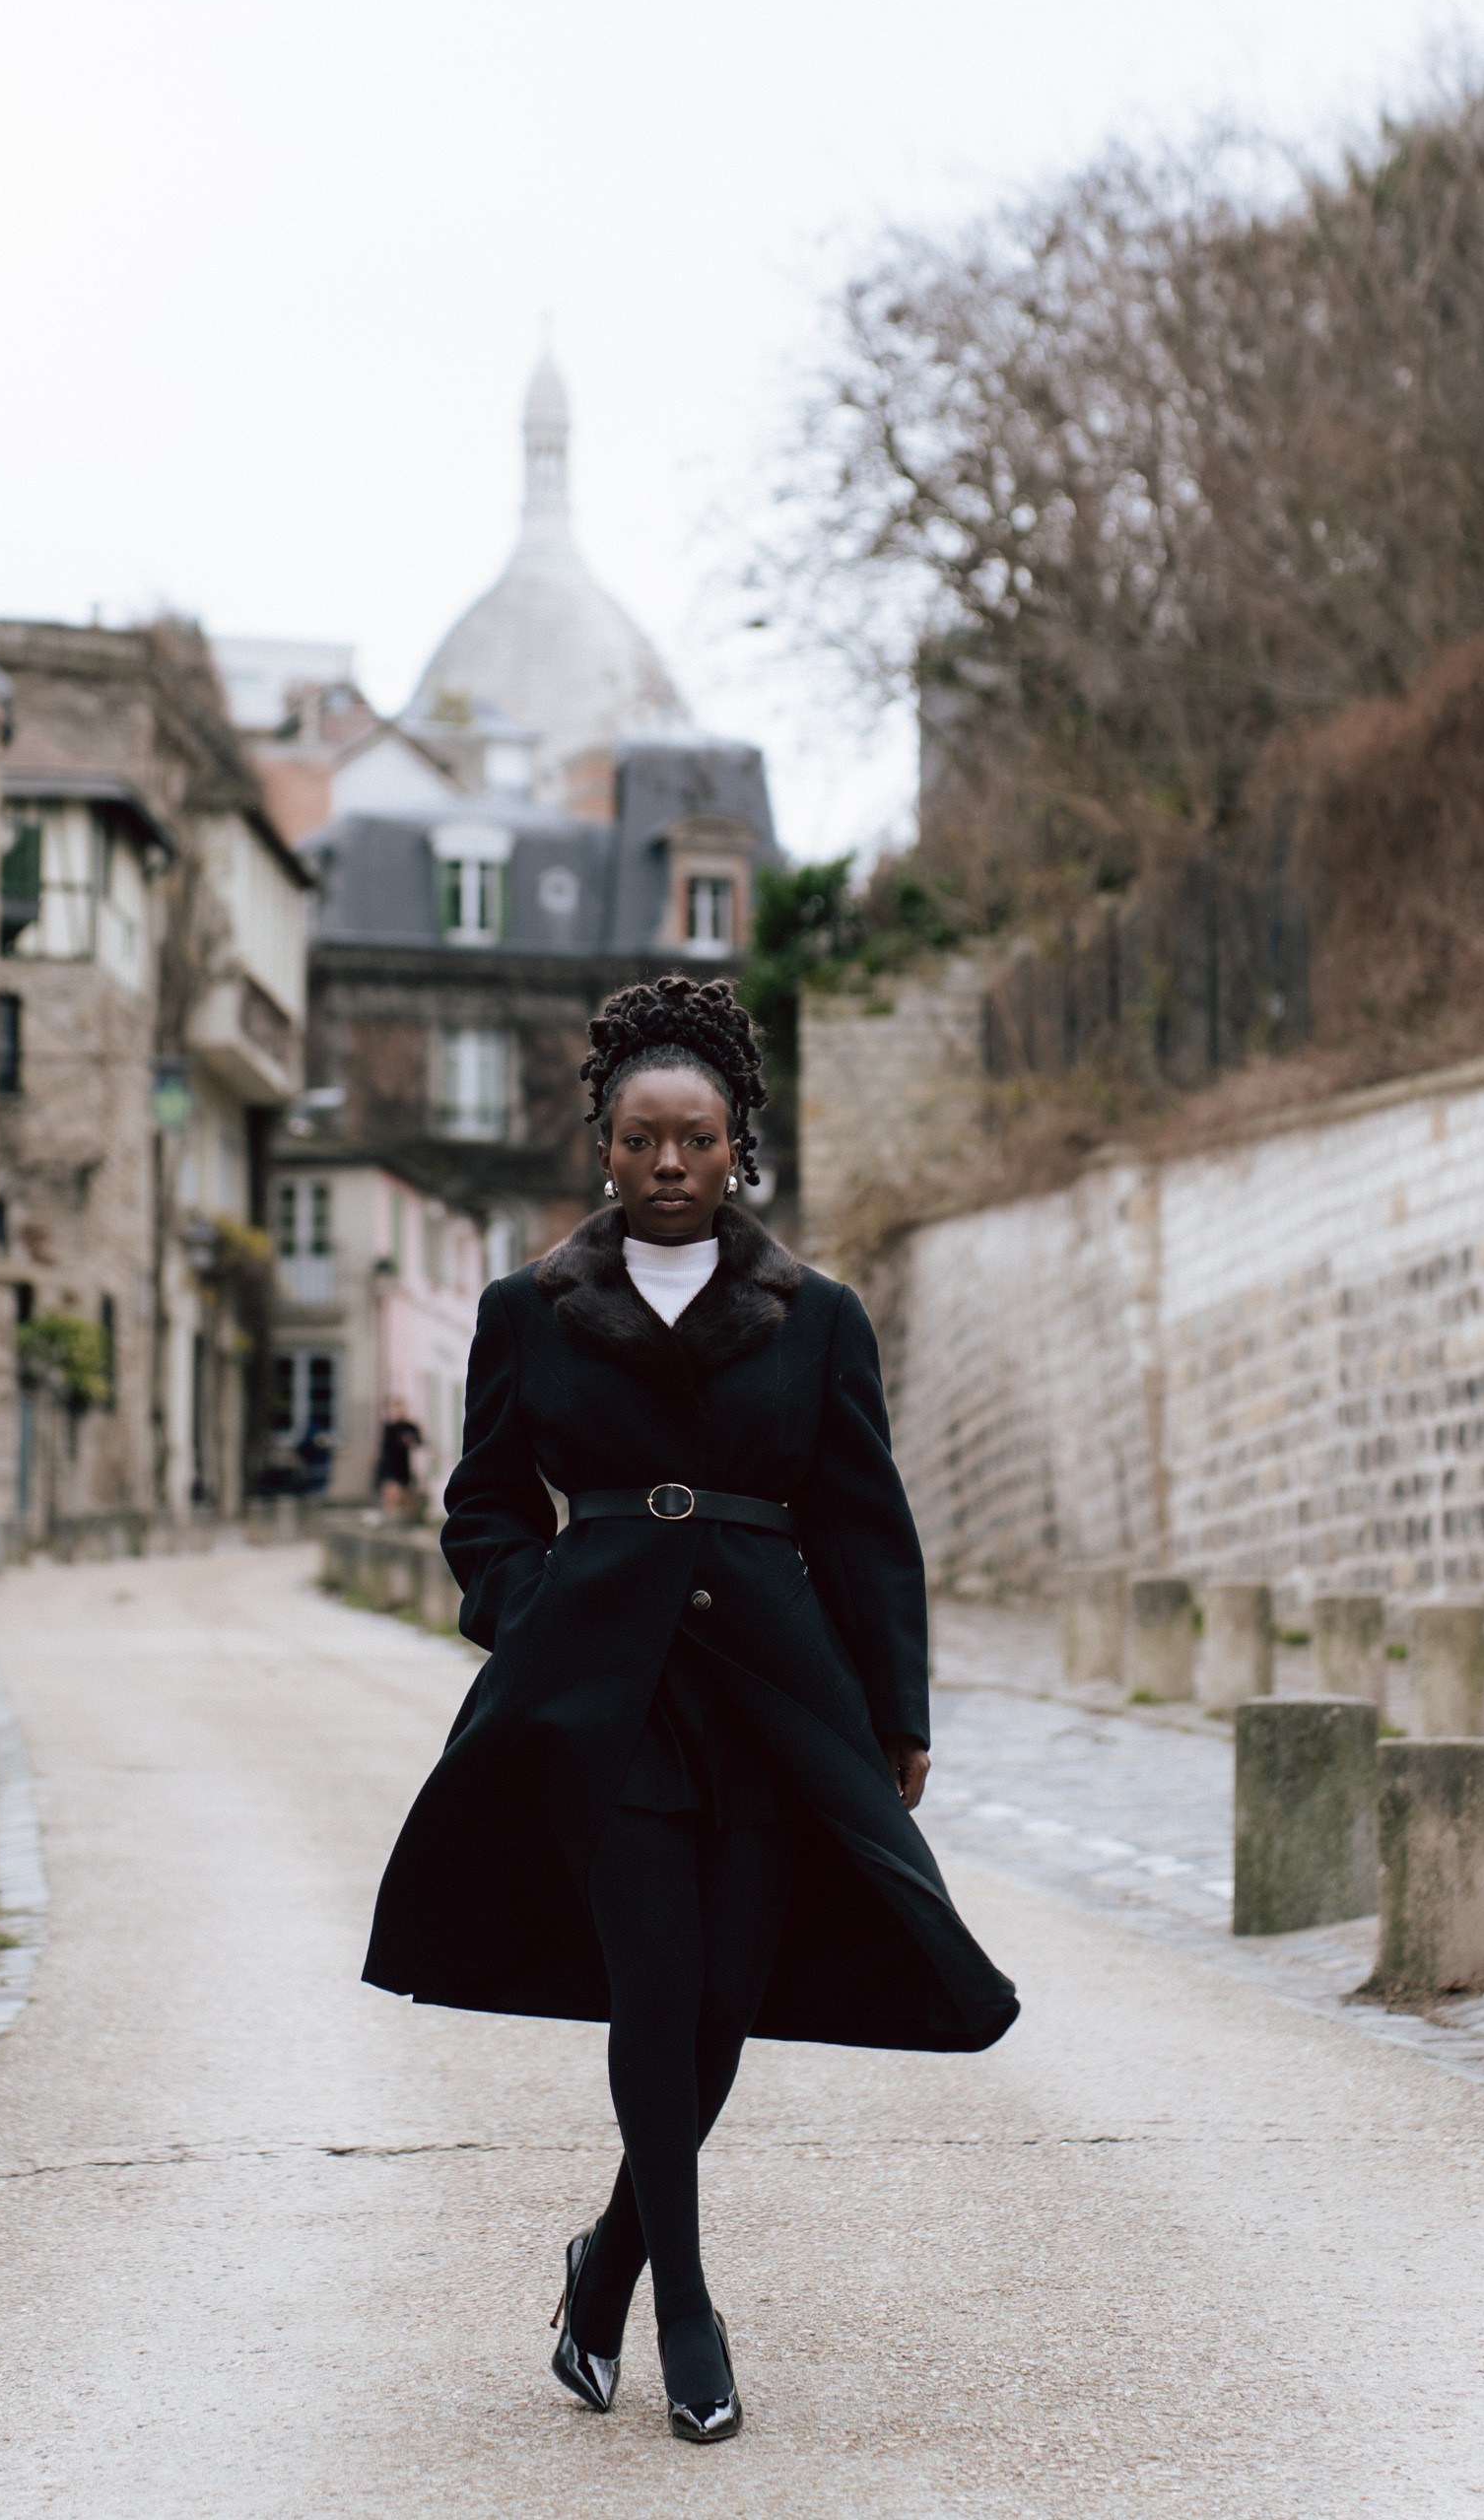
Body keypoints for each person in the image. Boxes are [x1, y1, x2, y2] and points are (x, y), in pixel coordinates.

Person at [364, 975, 1018, 2446]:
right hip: (601, 1694)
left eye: (698, 1140)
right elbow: (481, 1512)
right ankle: (686, 2313)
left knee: (723, 2002)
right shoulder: (525, 1310)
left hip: (774, 1693)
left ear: (739, 1151)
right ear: (603, 1142)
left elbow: (864, 1523)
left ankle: (603, 2269)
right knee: (657, 1980)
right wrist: (531, 1616)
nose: (670, 1163)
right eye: (643, 1137)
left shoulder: (820, 1317)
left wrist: (893, 1709)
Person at [374, 1397, 425, 1519]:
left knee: (404, 1496)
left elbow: (418, 1441)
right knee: (391, 1494)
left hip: (402, 1466)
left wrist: (410, 1439)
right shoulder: (387, 1427)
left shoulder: (408, 1426)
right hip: (388, 1465)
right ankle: (390, 1519)